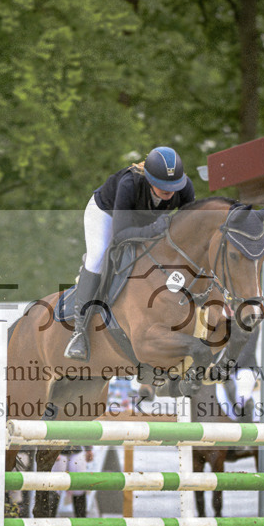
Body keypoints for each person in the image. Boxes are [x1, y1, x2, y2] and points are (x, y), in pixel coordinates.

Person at [64, 146, 196, 363]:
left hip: (144, 222)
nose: (170, 192)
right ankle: (79, 331)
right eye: (164, 186)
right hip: (107, 214)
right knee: (98, 259)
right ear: (150, 180)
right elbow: (120, 235)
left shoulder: (184, 188)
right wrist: (155, 230)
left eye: (174, 186)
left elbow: (189, 226)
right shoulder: (129, 184)